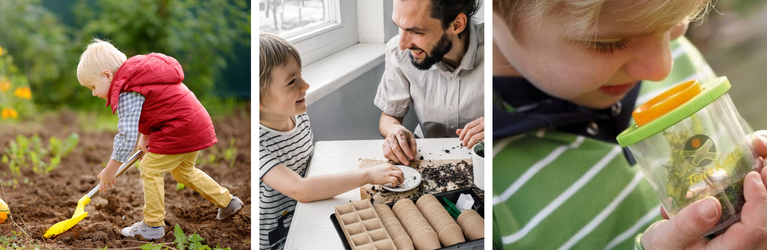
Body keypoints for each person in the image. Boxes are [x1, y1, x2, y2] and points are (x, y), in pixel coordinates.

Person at [491, 0, 767, 249]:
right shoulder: (477, 176)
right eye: (606, 45)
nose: (662, 67)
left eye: (678, 22)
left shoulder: (675, 54)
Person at [76, 39, 243, 240]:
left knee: (150, 168)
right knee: (184, 172)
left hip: (179, 128)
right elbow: (157, 106)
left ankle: (153, 225)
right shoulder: (139, 77)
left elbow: (126, 135)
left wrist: (110, 170)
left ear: (107, 75)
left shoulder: (127, 90)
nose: (94, 93)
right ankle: (228, 202)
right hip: (193, 123)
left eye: (92, 87)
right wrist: (146, 136)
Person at [258, 33, 405, 250]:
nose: (305, 85)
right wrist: (367, 175)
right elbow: (300, 189)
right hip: (278, 239)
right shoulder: (259, 144)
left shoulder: (298, 116)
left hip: (306, 216)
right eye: (292, 81)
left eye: (301, 75)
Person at [376, 0, 486, 165]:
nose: (403, 44)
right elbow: (390, 116)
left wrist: (501, 121)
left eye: (416, 31)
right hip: (426, 160)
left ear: (456, 24)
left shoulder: (501, 46)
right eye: (399, 26)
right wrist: (395, 131)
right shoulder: (398, 53)